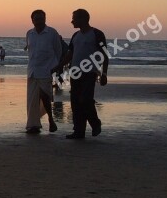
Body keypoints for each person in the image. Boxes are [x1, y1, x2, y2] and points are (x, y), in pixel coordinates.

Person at [61, 9, 109, 140]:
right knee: (75, 102)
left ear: (83, 19)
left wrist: (104, 73)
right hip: (75, 73)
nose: (72, 21)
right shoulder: (75, 35)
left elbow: (105, 55)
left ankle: (95, 123)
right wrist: (58, 66)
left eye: (74, 18)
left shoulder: (97, 34)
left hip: (90, 73)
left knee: (85, 100)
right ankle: (79, 131)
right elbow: (70, 54)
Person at [25, 10, 62, 134]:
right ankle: (33, 125)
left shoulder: (52, 33)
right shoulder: (29, 33)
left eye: (41, 18)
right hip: (32, 70)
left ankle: (51, 120)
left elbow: (58, 51)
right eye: (36, 19)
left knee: (45, 96)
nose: (39, 21)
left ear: (45, 19)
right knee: (32, 99)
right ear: (32, 20)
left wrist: (56, 67)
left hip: (46, 70)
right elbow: (30, 51)